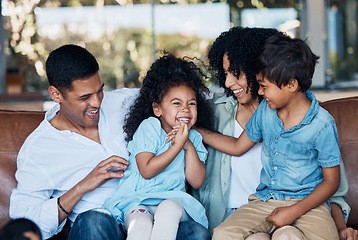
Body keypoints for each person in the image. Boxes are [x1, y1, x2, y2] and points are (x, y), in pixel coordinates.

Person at [9, 44, 211, 240]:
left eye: (100, 91)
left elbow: (181, 101)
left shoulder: (122, 102)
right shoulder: (38, 148)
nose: (97, 102)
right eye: (85, 97)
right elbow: (24, 223)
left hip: (156, 216)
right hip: (102, 226)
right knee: (93, 220)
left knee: (196, 232)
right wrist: (82, 187)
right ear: (56, 94)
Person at [191, 26, 356, 240]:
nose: (229, 82)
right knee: (225, 234)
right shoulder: (255, 112)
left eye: (236, 73)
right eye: (226, 74)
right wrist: (193, 130)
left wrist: (336, 225)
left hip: (306, 207)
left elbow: (333, 185)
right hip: (262, 203)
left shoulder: (321, 123)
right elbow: (236, 146)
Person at [103, 54, 213, 240]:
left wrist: (187, 146)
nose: (185, 109)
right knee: (140, 224)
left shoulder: (193, 138)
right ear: (157, 109)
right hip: (138, 199)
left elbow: (196, 181)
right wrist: (177, 146)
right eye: (176, 103)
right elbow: (146, 170)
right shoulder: (150, 127)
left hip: (174, 201)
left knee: (168, 208)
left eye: (191, 103)